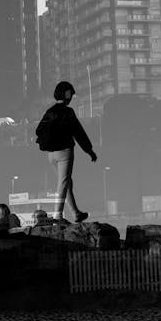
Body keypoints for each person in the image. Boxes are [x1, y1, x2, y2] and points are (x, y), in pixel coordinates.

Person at [36, 80, 97, 224]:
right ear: (67, 95)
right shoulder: (68, 112)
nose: (71, 97)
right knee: (63, 183)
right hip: (65, 152)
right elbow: (79, 133)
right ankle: (58, 215)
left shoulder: (49, 111)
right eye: (70, 94)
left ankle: (76, 213)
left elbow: (38, 130)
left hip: (51, 154)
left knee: (67, 182)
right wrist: (89, 151)